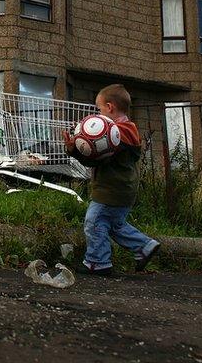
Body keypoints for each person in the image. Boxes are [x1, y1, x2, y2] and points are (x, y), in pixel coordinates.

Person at [63, 84, 161, 276]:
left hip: (111, 189)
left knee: (94, 221)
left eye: (99, 109)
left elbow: (95, 159)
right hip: (124, 189)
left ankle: (97, 262)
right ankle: (144, 246)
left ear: (110, 107)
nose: (98, 113)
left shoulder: (115, 132)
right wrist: (74, 148)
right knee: (114, 225)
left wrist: (76, 149)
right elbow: (98, 158)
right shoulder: (129, 130)